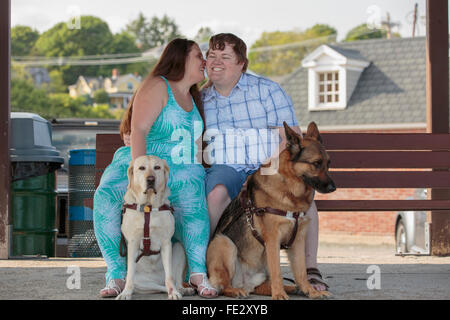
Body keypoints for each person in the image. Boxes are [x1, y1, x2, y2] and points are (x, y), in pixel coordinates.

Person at [202, 33, 329, 292]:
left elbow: (290, 139)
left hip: (269, 167)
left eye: (225, 57)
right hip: (226, 167)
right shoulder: (202, 99)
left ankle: (311, 269)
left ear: (242, 64)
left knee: (306, 199)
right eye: (211, 55)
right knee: (215, 195)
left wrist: (261, 173)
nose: (216, 61)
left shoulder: (267, 91)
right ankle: (208, 271)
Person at [93, 38, 218, 298]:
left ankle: (196, 272)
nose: (204, 61)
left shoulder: (194, 94)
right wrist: (139, 177)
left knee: (191, 189)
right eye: (198, 56)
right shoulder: (157, 86)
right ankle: (116, 274)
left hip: (181, 165)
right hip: (144, 160)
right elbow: (138, 130)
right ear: (181, 59)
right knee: (105, 195)